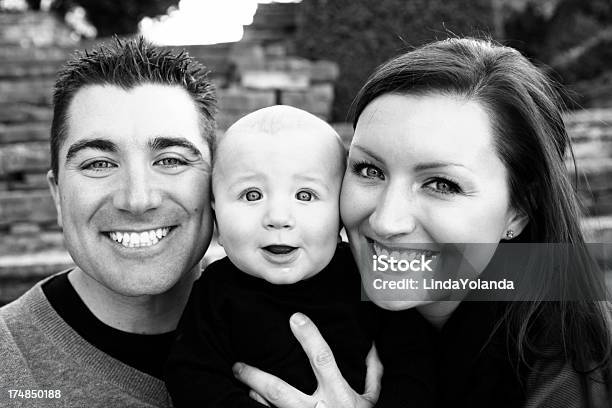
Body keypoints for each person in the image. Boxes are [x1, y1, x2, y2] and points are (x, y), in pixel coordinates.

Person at [231, 38, 612, 407]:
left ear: (519, 210)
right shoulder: (291, 291)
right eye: (368, 169)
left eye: (441, 184)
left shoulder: (567, 371)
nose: (385, 222)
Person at [0, 37, 216, 407]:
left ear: (218, 182)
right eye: (98, 164)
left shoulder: (316, 332)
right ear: (57, 195)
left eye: (170, 160)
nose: (137, 199)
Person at [165, 105, 378, 407]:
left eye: (305, 195)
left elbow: (412, 361)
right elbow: (190, 376)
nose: (278, 217)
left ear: (340, 214)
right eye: (252, 195)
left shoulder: (363, 275)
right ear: (216, 215)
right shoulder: (215, 291)